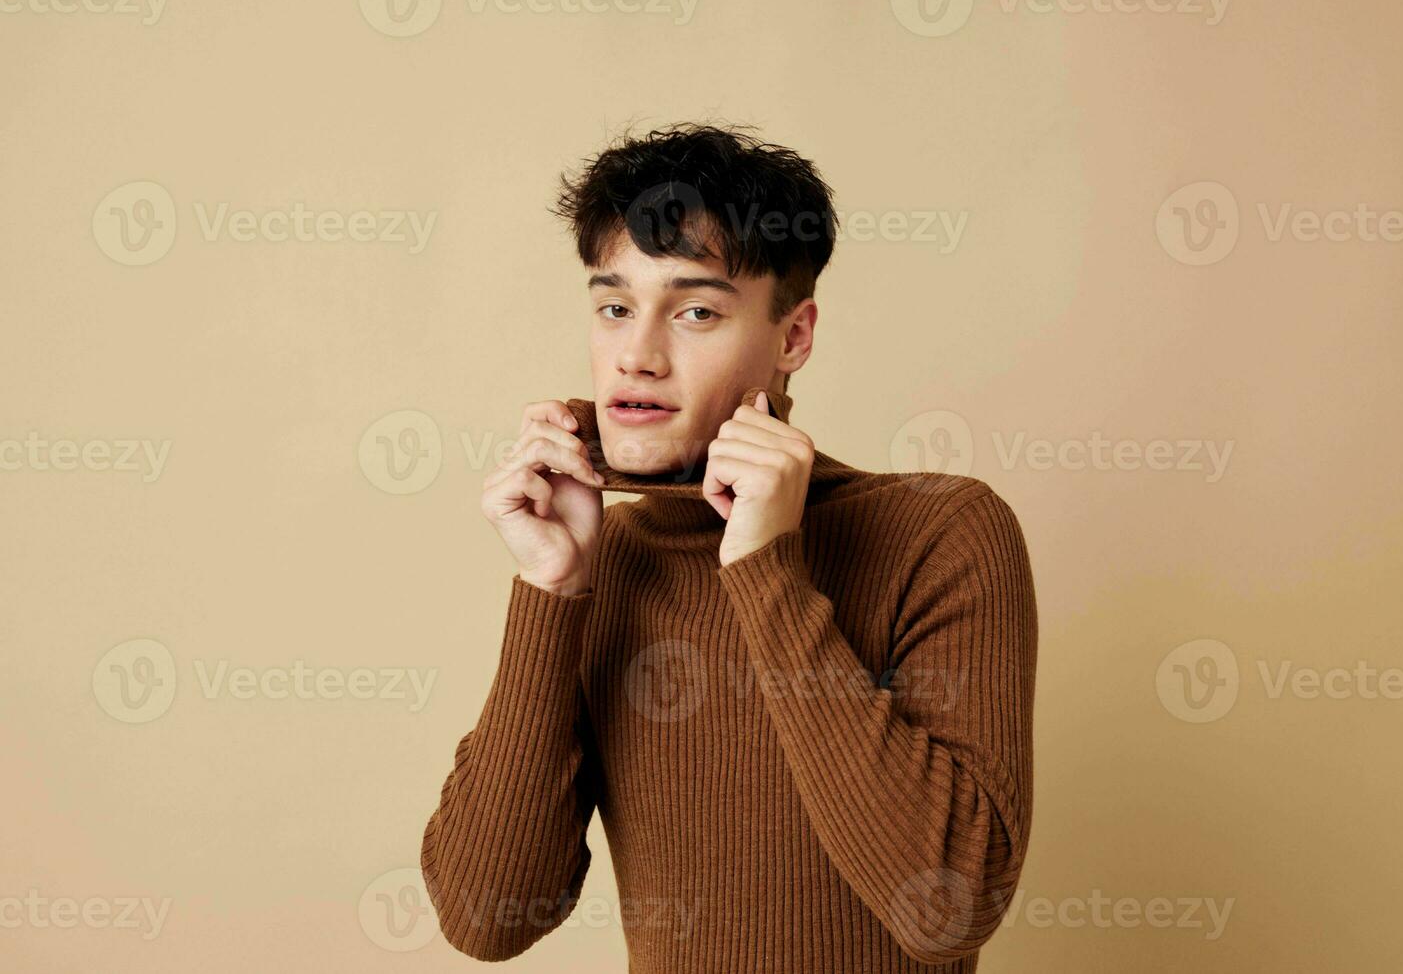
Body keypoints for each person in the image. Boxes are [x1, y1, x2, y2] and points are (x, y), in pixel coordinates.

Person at [420, 122, 1038, 973]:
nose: (636, 357)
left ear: (793, 338)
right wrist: (553, 588)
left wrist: (765, 571)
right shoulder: (609, 558)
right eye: (614, 308)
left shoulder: (939, 530)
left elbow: (948, 907)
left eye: (697, 312)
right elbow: (484, 918)